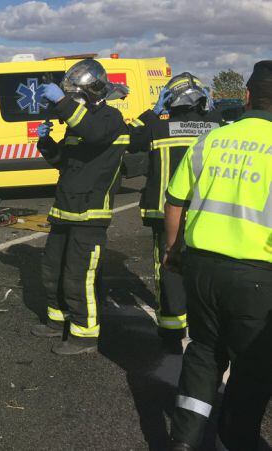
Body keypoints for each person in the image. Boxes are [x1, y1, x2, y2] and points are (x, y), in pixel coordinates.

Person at [164, 60, 272, 450]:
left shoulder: (212, 139)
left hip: (202, 268)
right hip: (258, 277)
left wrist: (173, 251)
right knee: (254, 365)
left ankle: (185, 439)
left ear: (246, 96)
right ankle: (237, 437)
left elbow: (175, 201)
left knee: (204, 354)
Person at [30, 58, 130, 355]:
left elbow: (94, 133)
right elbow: (65, 162)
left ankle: (84, 335)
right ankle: (56, 321)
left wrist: (61, 102)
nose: (71, 100)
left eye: (75, 94)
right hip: (65, 210)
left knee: (78, 276)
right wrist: (47, 143)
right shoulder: (80, 123)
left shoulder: (109, 119)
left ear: (91, 91)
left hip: (89, 214)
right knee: (52, 269)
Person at [128, 73, 223, 351]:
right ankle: (205, 325)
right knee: (205, 267)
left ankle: (172, 331)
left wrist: (151, 112)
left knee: (169, 269)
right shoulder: (213, 125)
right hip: (206, 211)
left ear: (170, 98)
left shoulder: (156, 124)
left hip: (163, 211)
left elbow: (128, 138)